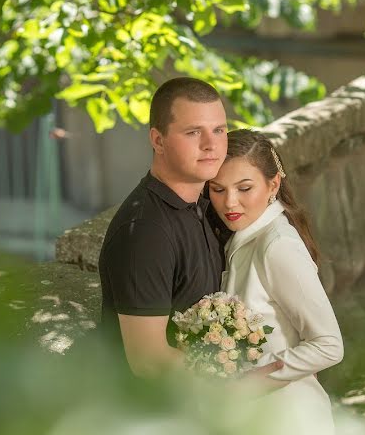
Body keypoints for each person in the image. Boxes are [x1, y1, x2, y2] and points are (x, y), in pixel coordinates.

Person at [98, 78, 283, 381]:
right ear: (158, 141)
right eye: (193, 132)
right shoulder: (146, 232)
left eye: (219, 130)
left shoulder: (209, 203)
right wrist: (235, 388)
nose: (211, 145)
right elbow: (149, 361)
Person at [207, 128, 344, 435]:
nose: (230, 202)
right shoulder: (243, 239)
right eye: (217, 189)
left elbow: (329, 344)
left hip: (291, 434)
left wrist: (249, 384)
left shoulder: (276, 245)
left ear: (273, 184)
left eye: (244, 188)